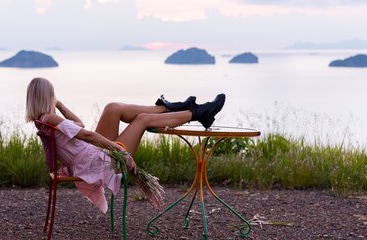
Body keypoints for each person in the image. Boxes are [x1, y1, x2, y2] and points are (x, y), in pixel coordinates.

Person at [25, 77, 225, 212]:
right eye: (53, 95)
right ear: (47, 97)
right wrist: (116, 148)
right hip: (96, 161)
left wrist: (60, 105)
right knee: (142, 120)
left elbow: (78, 125)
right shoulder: (50, 118)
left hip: (88, 155)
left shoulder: (44, 118)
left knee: (112, 108)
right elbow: (85, 134)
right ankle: (198, 112)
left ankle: (173, 107)